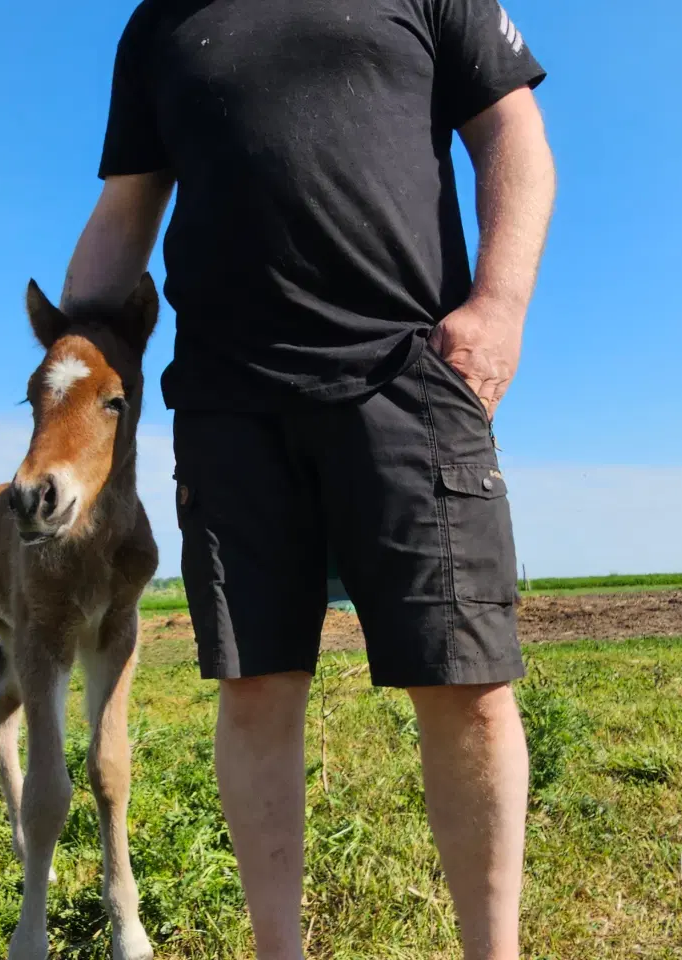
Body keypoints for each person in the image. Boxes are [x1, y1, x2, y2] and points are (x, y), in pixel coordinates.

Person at [60, 1, 555, 957]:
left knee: (470, 683)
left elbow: (513, 134)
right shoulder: (161, 22)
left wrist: (499, 306)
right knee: (254, 684)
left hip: (409, 376)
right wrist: (67, 376)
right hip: (227, 401)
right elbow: (127, 210)